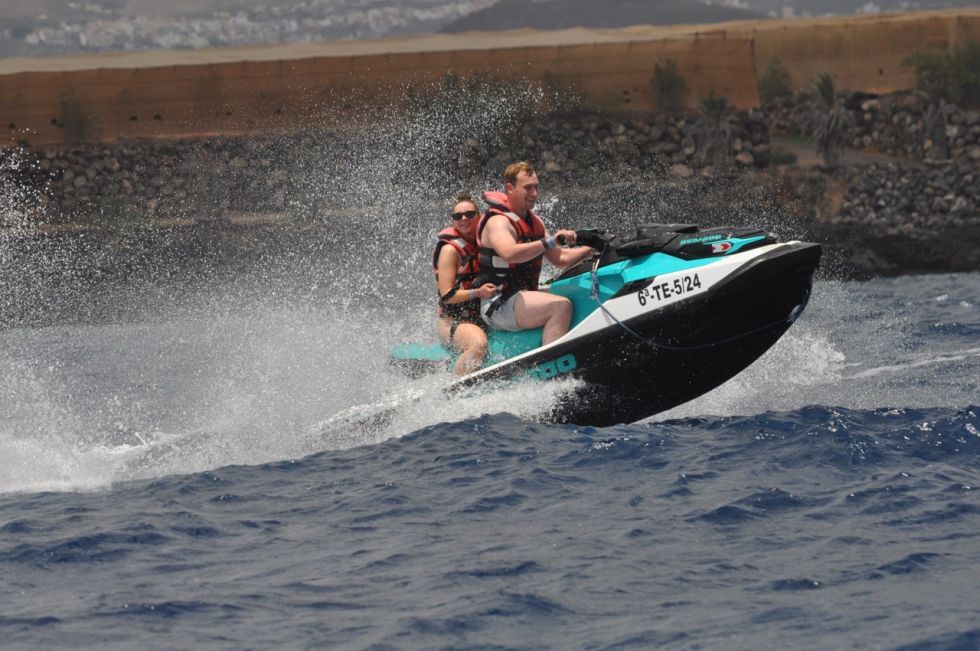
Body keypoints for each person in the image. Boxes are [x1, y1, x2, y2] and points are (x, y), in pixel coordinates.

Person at [475, 161, 593, 346]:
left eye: (536, 187)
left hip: (521, 295)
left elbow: (560, 259)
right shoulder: (498, 222)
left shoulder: (535, 222)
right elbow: (509, 253)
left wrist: (590, 249)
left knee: (576, 290)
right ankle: (553, 366)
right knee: (561, 306)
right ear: (509, 188)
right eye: (528, 188)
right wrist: (551, 241)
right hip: (498, 304)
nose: (534, 194)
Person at [434, 192, 499, 375]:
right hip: (455, 320)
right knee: (478, 344)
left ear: (479, 216)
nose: (464, 219)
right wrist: (478, 293)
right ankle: (454, 390)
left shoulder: (489, 241)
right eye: (458, 216)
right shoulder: (450, 251)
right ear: (453, 222)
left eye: (469, 214)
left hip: (485, 312)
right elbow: (447, 295)